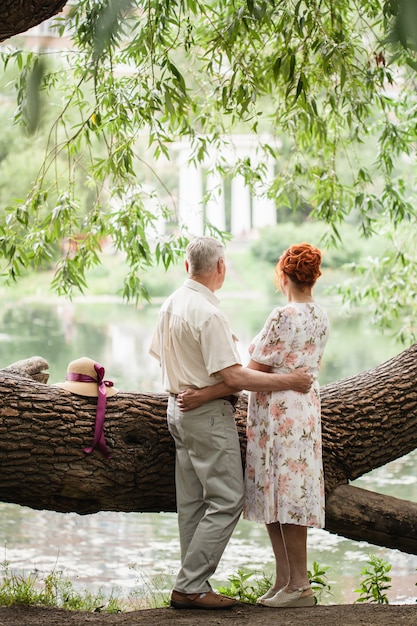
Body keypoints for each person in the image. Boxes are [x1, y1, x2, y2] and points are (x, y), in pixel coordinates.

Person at [149, 236, 313, 611]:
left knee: (192, 503)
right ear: (221, 267)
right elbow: (236, 377)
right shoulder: (208, 314)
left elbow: (160, 356)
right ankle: (190, 585)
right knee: (227, 499)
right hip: (206, 417)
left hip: (177, 410)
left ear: (186, 266)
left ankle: (194, 583)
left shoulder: (171, 303)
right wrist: (291, 380)